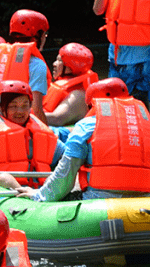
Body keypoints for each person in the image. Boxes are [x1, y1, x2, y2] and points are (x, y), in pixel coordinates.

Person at [21, 78, 150, 201]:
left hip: (99, 200)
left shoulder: (86, 125)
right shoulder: (146, 125)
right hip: (143, 201)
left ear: (91, 104)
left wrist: (38, 195)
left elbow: (65, 175)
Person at [0, 9, 52, 121]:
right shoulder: (38, 65)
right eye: (45, 34)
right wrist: (47, 134)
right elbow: (36, 109)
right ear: (38, 35)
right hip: (19, 129)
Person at [44, 43, 98, 126]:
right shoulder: (68, 87)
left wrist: (21, 115)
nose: (54, 64)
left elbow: (56, 119)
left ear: (71, 66)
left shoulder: (77, 95)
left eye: (60, 61)